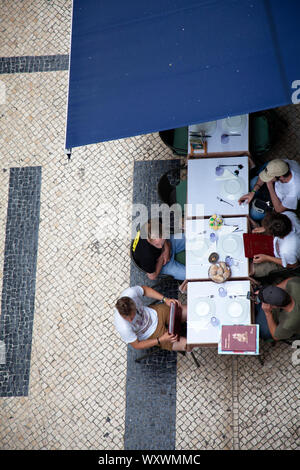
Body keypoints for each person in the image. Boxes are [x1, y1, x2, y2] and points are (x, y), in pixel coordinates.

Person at [114, 285, 189, 351]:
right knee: (187, 345)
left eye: (133, 316)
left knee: (190, 311)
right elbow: (137, 345)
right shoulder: (123, 327)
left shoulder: (131, 293)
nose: (131, 320)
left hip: (155, 313)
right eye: (129, 319)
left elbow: (145, 290)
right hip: (150, 334)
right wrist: (161, 340)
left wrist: (165, 299)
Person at [251, 212, 300, 277]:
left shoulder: (287, 250)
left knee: (251, 270)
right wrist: (265, 228)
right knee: (252, 232)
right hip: (278, 244)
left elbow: (293, 265)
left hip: (282, 259)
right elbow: (276, 222)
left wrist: (266, 258)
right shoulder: (289, 214)